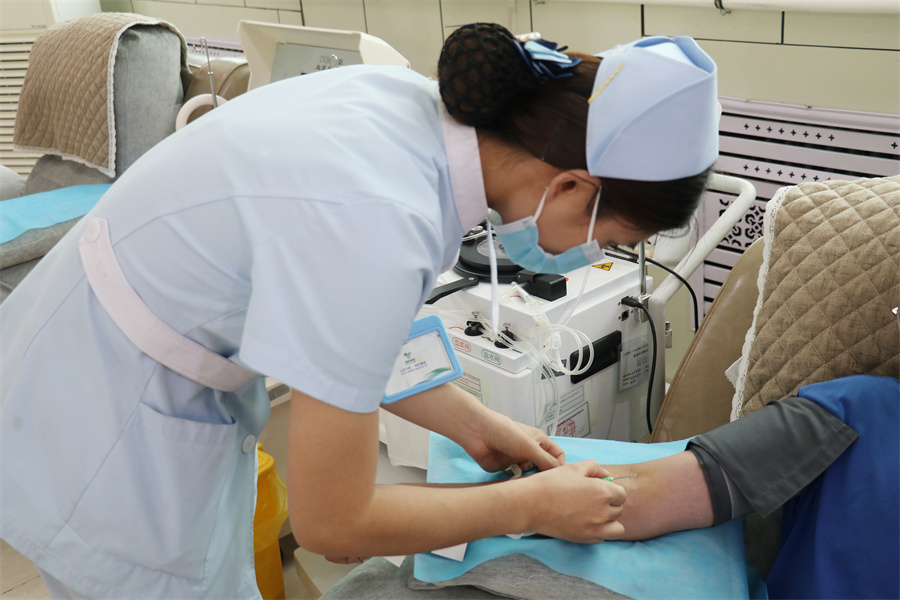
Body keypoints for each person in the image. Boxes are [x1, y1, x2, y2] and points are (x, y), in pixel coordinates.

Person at [0, 23, 719, 599]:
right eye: (612, 241)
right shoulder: (380, 215)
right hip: (107, 426)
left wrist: (478, 425)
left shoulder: (402, 106)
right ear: (571, 186)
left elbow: (343, 327)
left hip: (90, 352)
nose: (592, 256)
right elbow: (335, 522)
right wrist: (534, 508)